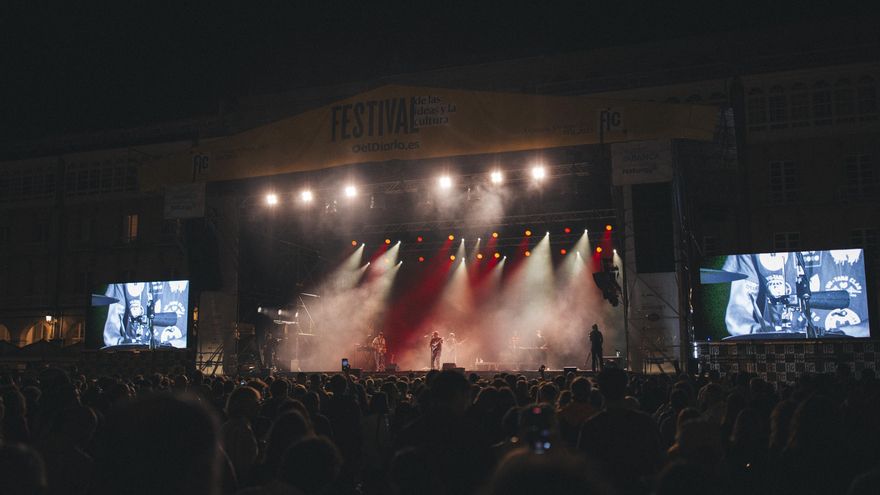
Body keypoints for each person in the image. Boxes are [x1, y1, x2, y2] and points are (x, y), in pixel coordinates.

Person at [722, 249, 869, 337]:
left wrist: (833, 336)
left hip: (846, 353)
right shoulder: (751, 243)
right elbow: (736, 314)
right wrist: (765, 335)